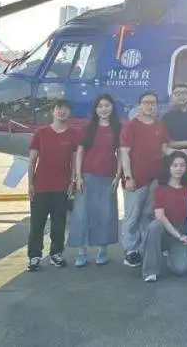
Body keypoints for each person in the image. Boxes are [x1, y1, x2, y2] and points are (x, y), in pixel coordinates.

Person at [120, 91, 187, 267]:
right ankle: (130, 251)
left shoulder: (160, 125)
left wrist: (182, 152)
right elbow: (124, 153)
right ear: (140, 105)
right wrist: (128, 177)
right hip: (136, 179)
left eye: (153, 103)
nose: (150, 106)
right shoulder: (131, 126)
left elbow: (165, 149)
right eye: (146, 102)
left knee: (147, 215)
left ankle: (143, 248)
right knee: (132, 216)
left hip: (155, 178)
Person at [26, 98, 81, 271]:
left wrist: (73, 181)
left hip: (61, 187)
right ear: (53, 111)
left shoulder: (73, 134)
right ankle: (34, 256)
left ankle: (56, 254)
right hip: (41, 186)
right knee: (37, 224)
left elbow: (75, 160)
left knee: (59, 224)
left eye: (65, 109)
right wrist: (30, 184)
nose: (62, 112)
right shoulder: (41, 133)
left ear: (69, 113)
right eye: (59, 108)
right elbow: (32, 160)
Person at [69, 94, 121, 267]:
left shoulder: (118, 128)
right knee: (82, 215)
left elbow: (121, 153)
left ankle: (102, 251)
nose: (104, 109)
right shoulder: (88, 127)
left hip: (108, 177)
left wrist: (118, 176)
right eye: (100, 106)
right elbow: (80, 153)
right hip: (87, 176)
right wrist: (78, 177)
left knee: (105, 214)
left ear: (112, 107)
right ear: (95, 109)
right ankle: (82, 253)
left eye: (107, 105)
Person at [142, 152, 187, 282]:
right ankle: (150, 271)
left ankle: (173, 257)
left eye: (182, 165)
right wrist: (178, 235)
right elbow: (160, 216)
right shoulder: (160, 189)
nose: (179, 169)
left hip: (181, 231)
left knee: (182, 269)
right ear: (169, 168)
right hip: (164, 232)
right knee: (155, 226)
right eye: (175, 165)